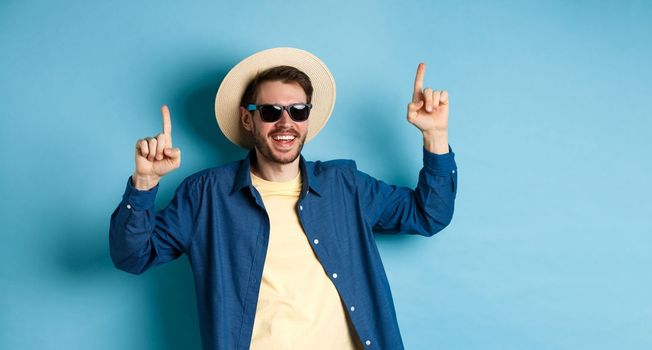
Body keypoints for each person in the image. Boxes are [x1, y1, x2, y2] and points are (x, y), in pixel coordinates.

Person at [109, 47, 457, 350]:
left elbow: (429, 214)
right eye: (271, 111)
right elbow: (132, 256)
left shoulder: (344, 185)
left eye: (298, 111)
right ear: (248, 118)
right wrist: (143, 183)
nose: (285, 123)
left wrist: (436, 136)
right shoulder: (206, 195)